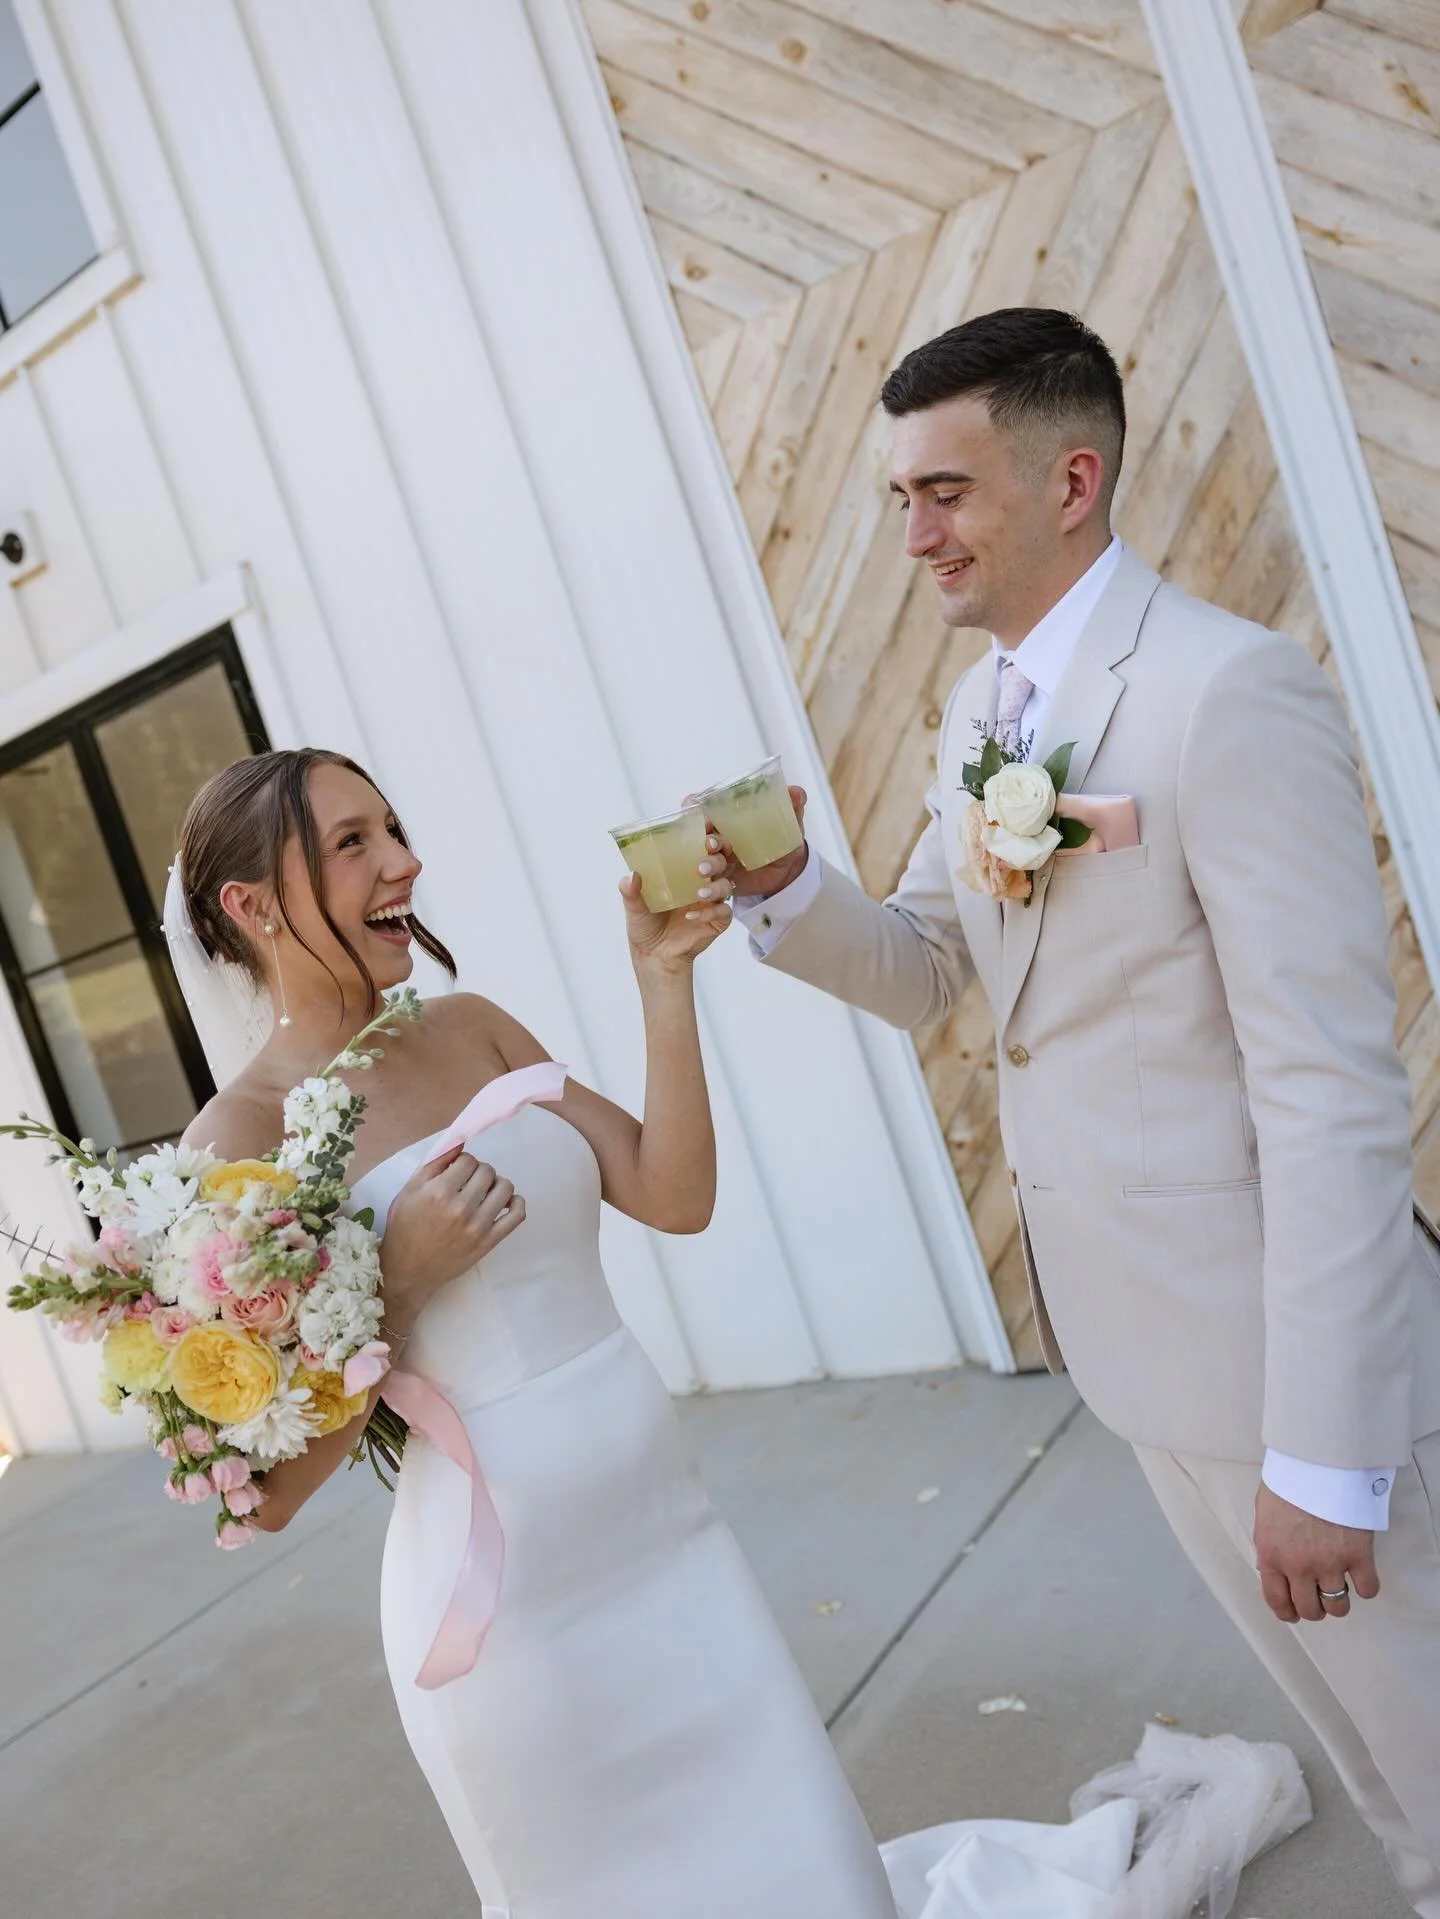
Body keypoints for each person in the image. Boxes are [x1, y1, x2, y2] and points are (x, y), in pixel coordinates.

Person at [718, 307, 1440, 1915]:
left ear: (1071, 478)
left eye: (944, 492)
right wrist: (786, 894)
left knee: (1425, 1723)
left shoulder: (1223, 693)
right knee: (1363, 1740)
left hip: (1287, 1356)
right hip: (1142, 1352)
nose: (913, 535)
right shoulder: (987, 721)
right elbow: (924, 966)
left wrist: (1328, 1451)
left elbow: (1331, 1086)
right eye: (900, 498)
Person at [167, 746, 899, 1919]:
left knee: (810, 1867)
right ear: (249, 907)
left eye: (391, 828)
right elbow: (259, 1494)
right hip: (513, 1620)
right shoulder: (238, 1142)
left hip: (672, 1544)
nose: (404, 861)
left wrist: (662, 979)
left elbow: (674, 1192)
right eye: (352, 843)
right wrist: (396, 1286)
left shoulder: (471, 1026)